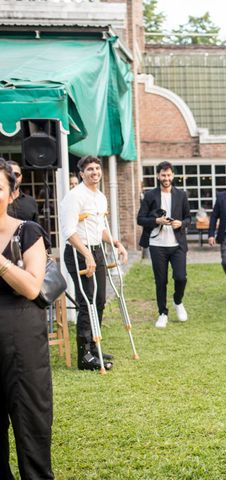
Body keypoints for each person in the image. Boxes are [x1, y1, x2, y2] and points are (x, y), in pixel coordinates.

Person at [0, 157, 54, 479]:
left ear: (11, 193)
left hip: (20, 340)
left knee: (29, 423)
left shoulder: (27, 231)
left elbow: (34, 287)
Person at [60, 156, 128, 371]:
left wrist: (116, 243)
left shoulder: (100, 197)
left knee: (99, 300)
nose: (95, 172)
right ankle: (84, 355)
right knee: (86, 301)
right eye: (90, 169)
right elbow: (69, 231)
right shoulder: (74, 197)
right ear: (81, 173)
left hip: (96, 250)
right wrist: (86, 254)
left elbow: (100, 228)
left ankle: (94, 345)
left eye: (97, 168)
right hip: (78, 252)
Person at [137, 161, 191, 328]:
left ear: (173, 175)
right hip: (157, 244)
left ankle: (177, 301)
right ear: (158, 176)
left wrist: (181, 223)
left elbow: (189, 218)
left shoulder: (181, 195)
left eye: (168, 175)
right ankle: (162, 313)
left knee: (181, 277)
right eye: (163, 175)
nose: (166, 178)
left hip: (177, 244)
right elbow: (140, 219)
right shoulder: (150, 195)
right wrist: (156, 220)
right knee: (161, 281)